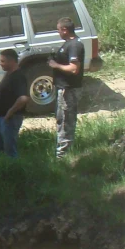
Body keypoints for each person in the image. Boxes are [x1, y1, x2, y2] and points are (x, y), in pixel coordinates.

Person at [47, 16, 85, 158]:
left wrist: (55, 65)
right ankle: (63, 152)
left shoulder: (74, 45)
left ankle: (63, 156)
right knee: (62, 120)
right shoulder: (69, 43)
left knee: (65, 122)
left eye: (58, 30)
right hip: (64, 88)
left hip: (68, 90)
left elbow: (74, 68)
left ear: (64, 30)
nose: (58, 32)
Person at [0, 49, 29, 158]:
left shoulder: (18, 77)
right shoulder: (8, 73)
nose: (0, 63)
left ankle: (12, 167)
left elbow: (23, 98)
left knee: (9, 150)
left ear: (12, 61)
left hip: (10, 119)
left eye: (2, 61)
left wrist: (10, 112)